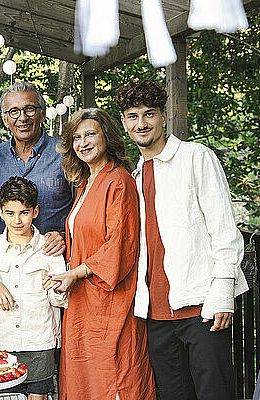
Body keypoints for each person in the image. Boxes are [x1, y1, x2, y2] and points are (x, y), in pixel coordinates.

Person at [115, 80, 248, 400]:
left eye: (149, 114)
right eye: (132, 116)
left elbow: (225, 231)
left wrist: (222, 295)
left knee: (214, 394)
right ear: (124, 122)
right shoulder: (134, 175)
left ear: (163, 116)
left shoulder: (196, 157)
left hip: (203, 307)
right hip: (156, 314)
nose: (141, 123)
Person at [44, 108, 156, 400]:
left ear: (107, 135)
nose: (84, 142)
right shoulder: (85, 182)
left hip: (110, 300)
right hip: (83, 300)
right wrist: (64, 241)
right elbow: (89, 233)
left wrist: (77, 272)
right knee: (84, 381)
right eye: (77, 137)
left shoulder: (118, 180)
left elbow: (120, 243)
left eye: (91, 134)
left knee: (114, 378)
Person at [0, 176, 67, 400]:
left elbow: (60, 299)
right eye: (10, 213)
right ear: (0, 212)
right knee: (6, 396)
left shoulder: (49, 247)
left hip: (40, 340)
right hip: (4, 342)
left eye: (24, 212)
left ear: (35, 211)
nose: (17, 220)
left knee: (39, 396)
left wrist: (54, 287)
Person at [0, 81, 72, 256]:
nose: (22, 118)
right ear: (5, 119)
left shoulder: (65, 153)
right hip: (6, 263)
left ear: (42, 114)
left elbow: (83, 207)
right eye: (14, 111)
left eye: (29, 109)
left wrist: (63, 236)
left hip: (53, 261)